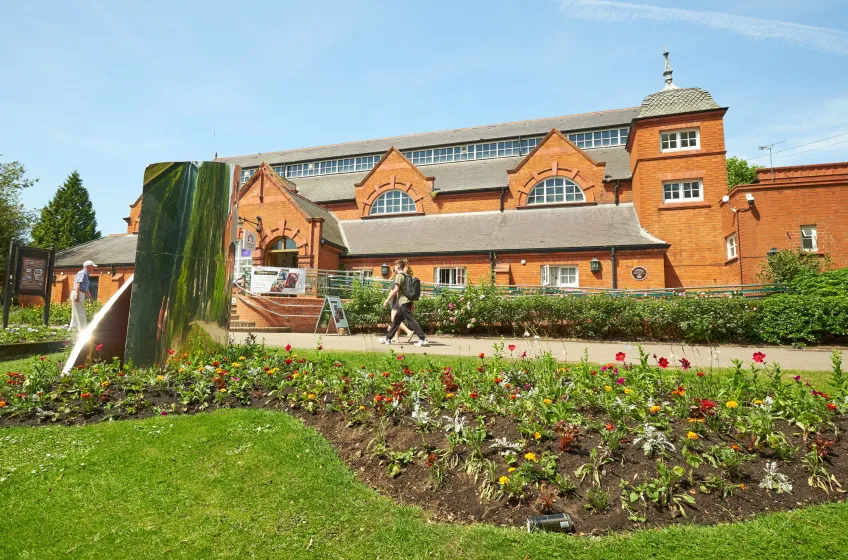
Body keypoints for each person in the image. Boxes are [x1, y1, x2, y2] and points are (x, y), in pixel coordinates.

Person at [379, 259, 428, 347]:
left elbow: (395, 289)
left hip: (404, 303)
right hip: (406, 302)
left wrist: (387, 300)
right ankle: (388, 339)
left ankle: (422, 338)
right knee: (396, 321)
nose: (393, 268)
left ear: (398, 267)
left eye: (394, 266)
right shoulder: (407, 276)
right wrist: (411, 303)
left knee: (411, 320)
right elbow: (409, 290)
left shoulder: (399, 276)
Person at [69, 260, 96, 329]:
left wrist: (90, 297)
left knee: (75, 312)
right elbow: (78, 284)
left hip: (80, 292)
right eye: (92, 266)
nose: (93, 268)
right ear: (87, 267)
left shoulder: (86, 274)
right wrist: (77, 295)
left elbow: (85, 288)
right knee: (80, 312)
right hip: (78, 293)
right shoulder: (82, 273)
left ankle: (72, 328)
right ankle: (84, 330)